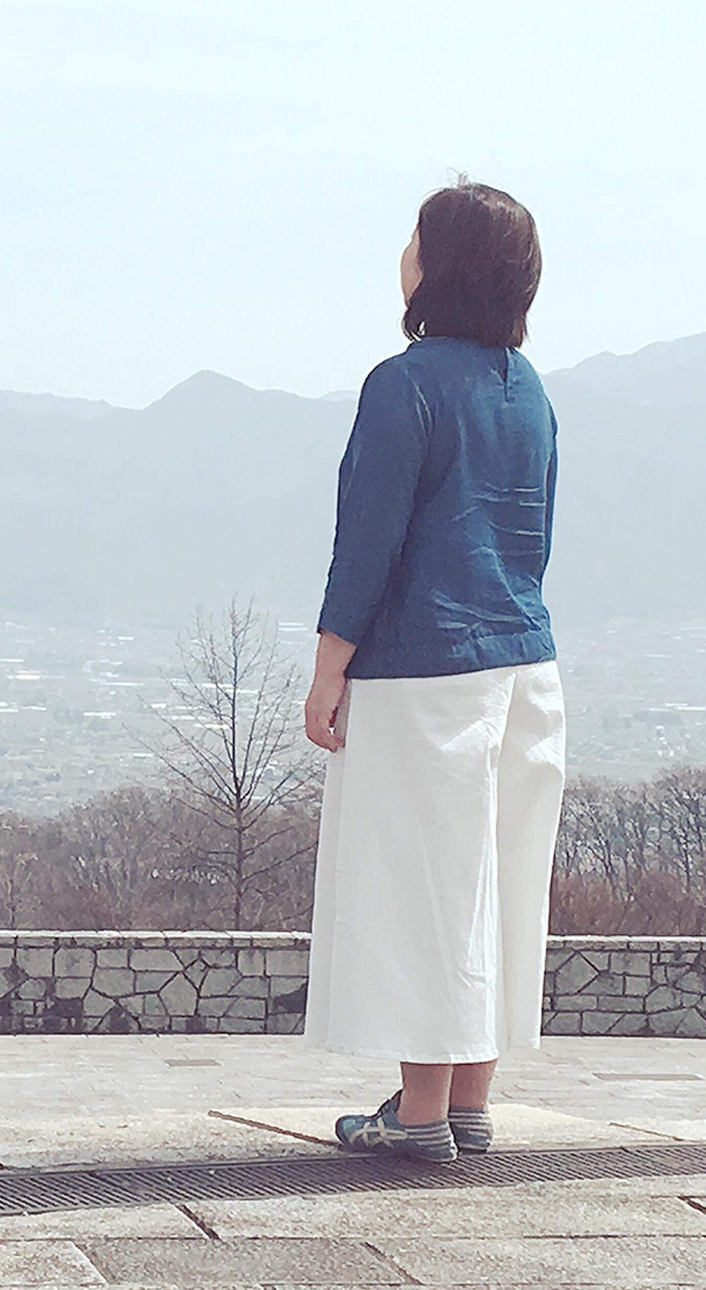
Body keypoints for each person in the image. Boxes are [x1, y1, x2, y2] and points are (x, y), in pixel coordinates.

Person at [302, 178, 565, 1164]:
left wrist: (328, 666)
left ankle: (414, 1117)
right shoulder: (525, 387)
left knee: (424, 885)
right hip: (525, 666)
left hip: (423, 671)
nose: (400, 250)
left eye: (412, 235)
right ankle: (465, 1104)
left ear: (438, 262)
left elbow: (365, 543)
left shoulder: (403, 382)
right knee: (496, 881)